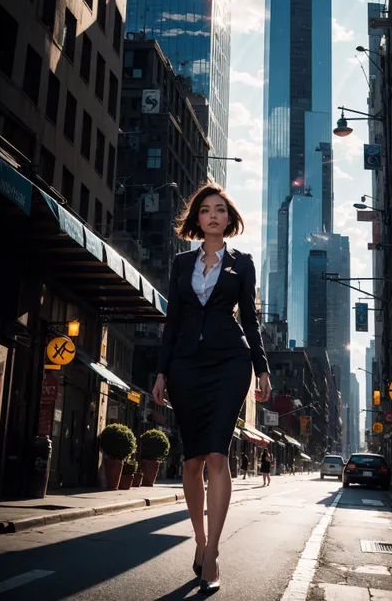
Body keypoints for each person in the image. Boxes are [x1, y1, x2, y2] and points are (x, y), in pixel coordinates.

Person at [152, 183, 271, 593]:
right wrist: (161, 372)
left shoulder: (243, 263)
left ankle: (214, 552)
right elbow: (173, 319)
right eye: (206, 210)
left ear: (229, 218)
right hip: (185, 365)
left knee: (217, 453)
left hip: (229, 363)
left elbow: (252, 323)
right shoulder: (182, 263)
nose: (214, 216)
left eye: (220, 209)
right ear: (197, 219)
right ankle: (200, 543)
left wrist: (262, 368)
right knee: (192, 461)